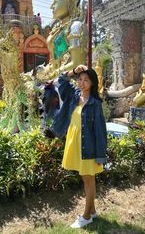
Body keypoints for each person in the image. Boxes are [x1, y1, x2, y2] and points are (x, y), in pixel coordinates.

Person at [44, 64, 107, 228]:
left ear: (92, 83)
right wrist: (73, 71)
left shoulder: (95, 104)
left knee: (88, 179)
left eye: (86, 80)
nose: (82, 82)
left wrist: (101, 155)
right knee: (85, 177)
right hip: (76, 141)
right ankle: (92, 211)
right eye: (80, 79)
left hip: (89, 146)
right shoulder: (73, 96)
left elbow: (100, 131)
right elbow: (61, 82)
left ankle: (86, 216)